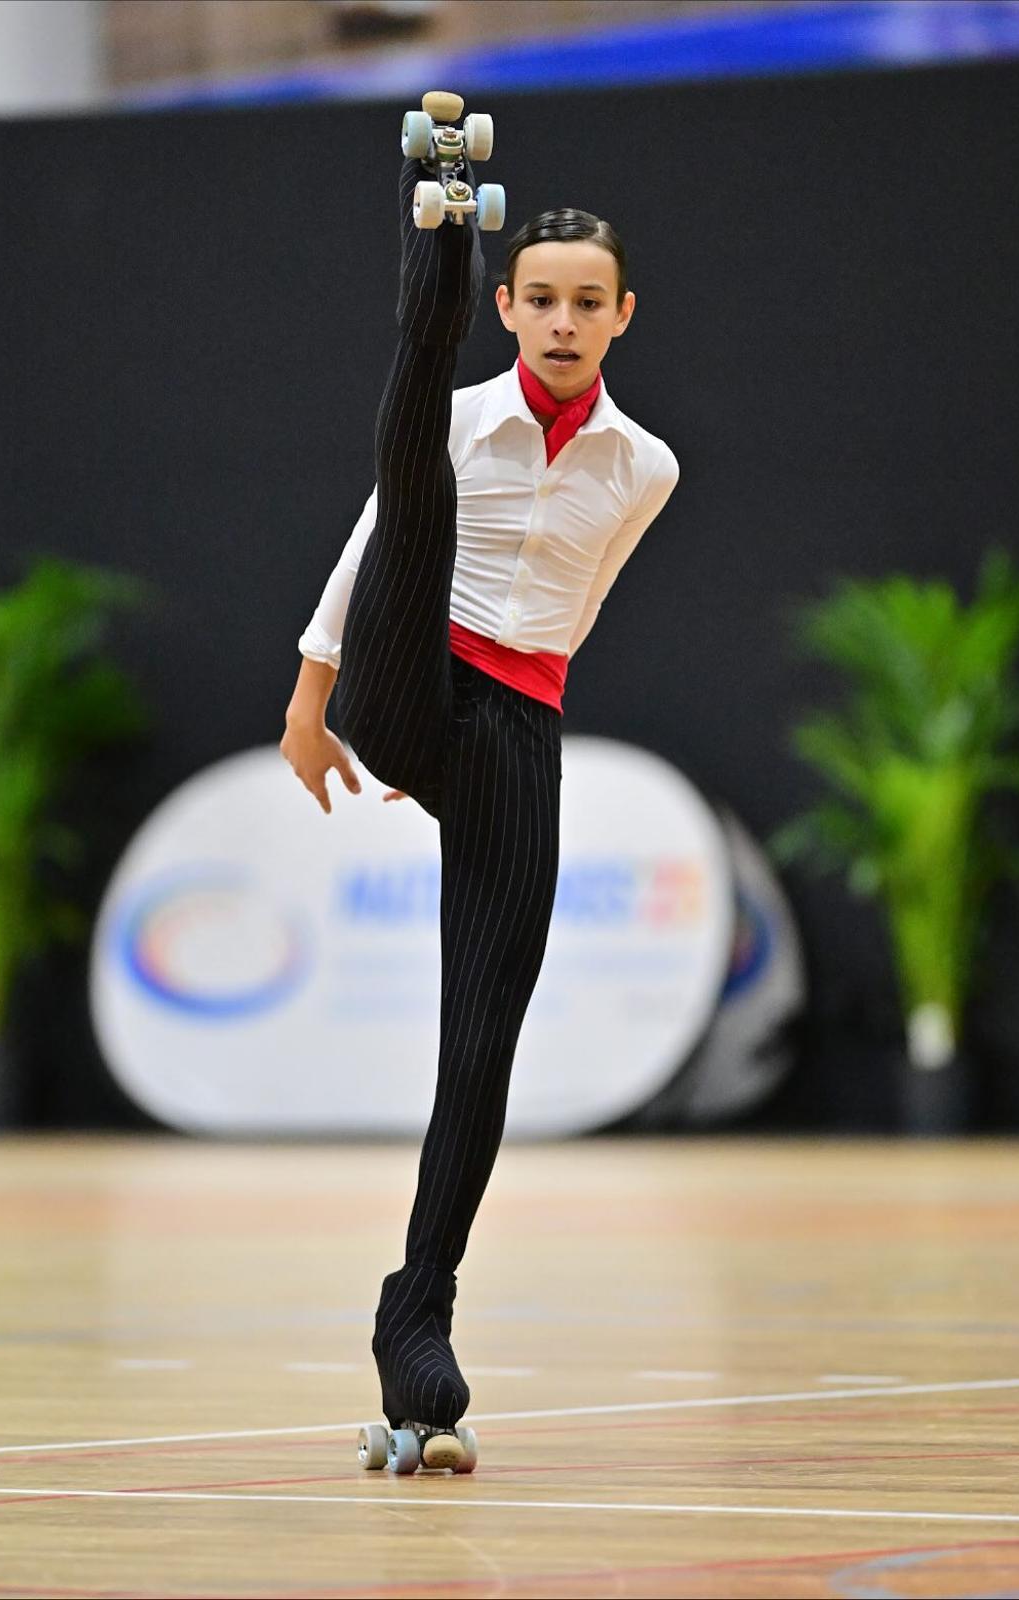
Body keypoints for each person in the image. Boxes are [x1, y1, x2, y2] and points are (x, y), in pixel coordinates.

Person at [280, 117, 679, 1444]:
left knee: (483, 1045)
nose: (563, 322)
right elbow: (367, 549)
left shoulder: (644, 467)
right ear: (511, 307)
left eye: (587, 304)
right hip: (408, 664)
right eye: (542, 299)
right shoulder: (460, 420)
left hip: (510, 726)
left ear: (621, 317)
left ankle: (415, 1321)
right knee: (411, 459)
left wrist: (498, 746)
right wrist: (314, 699)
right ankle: (435, 228)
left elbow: (588, 606)